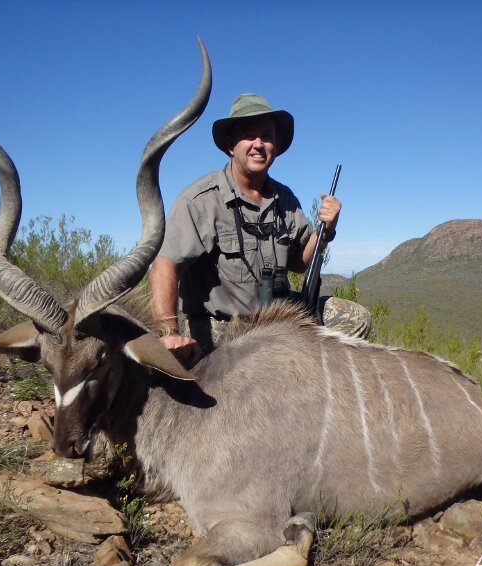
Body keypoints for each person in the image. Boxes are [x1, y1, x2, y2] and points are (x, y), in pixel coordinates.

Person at [149, 93, 371, 367]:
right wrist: (169, 334)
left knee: (355, 318)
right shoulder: (200, 200)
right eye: (249, 136)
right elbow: (165, 265)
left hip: (278, 319)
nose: (258, 145)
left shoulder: (285, 199)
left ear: (276, 145)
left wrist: (323, 232)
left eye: (266, 136)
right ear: (231, 145)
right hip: (226, 327)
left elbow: (300, 263)